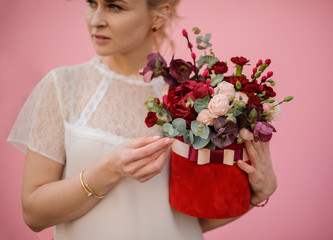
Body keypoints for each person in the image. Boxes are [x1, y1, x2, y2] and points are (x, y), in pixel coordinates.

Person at [7, 0, 277, 239]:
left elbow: (191, 218)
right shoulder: (62, 86)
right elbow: (34, 214)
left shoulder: (194, 99)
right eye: (91, 3)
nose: (96, 19)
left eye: (115, 6)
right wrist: (107, 172)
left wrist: (256, 195)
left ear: (159, 16)